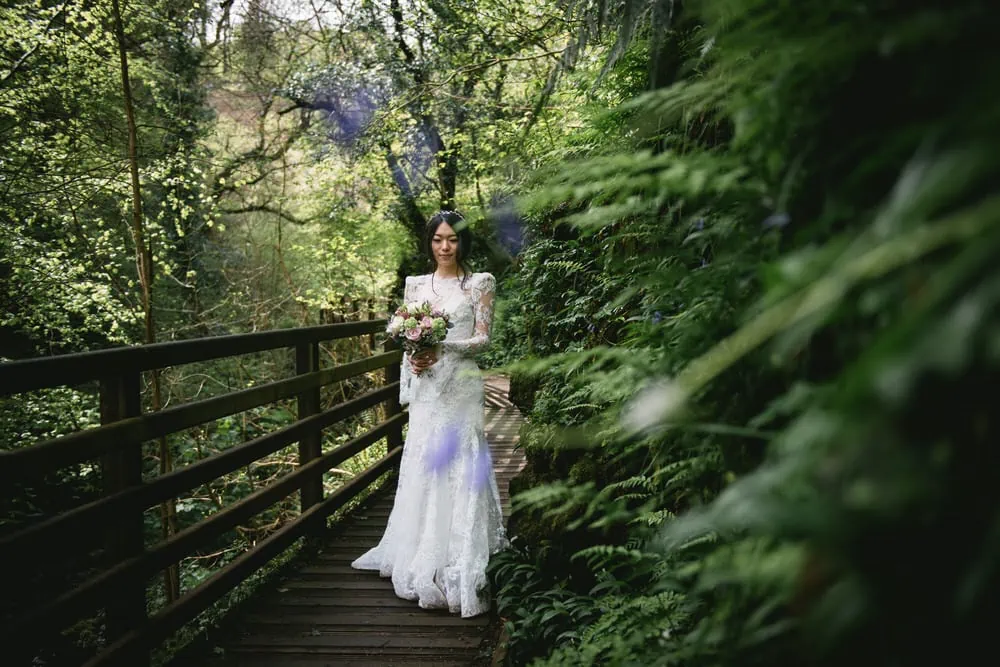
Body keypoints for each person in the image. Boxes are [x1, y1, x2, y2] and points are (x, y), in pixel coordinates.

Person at [351, 209, 507, 618]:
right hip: (429, 389)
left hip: (461, 386)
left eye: (452, 239)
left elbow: (483, 339)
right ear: (429, 242)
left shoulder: (480, 282)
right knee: (424, 461)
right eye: (438, 239)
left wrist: (443, 347)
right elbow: (408, 338)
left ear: (463, 242)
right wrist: (415, 358)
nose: (444, 247)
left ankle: (460, 555)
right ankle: (421, 552)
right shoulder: (416, 284)